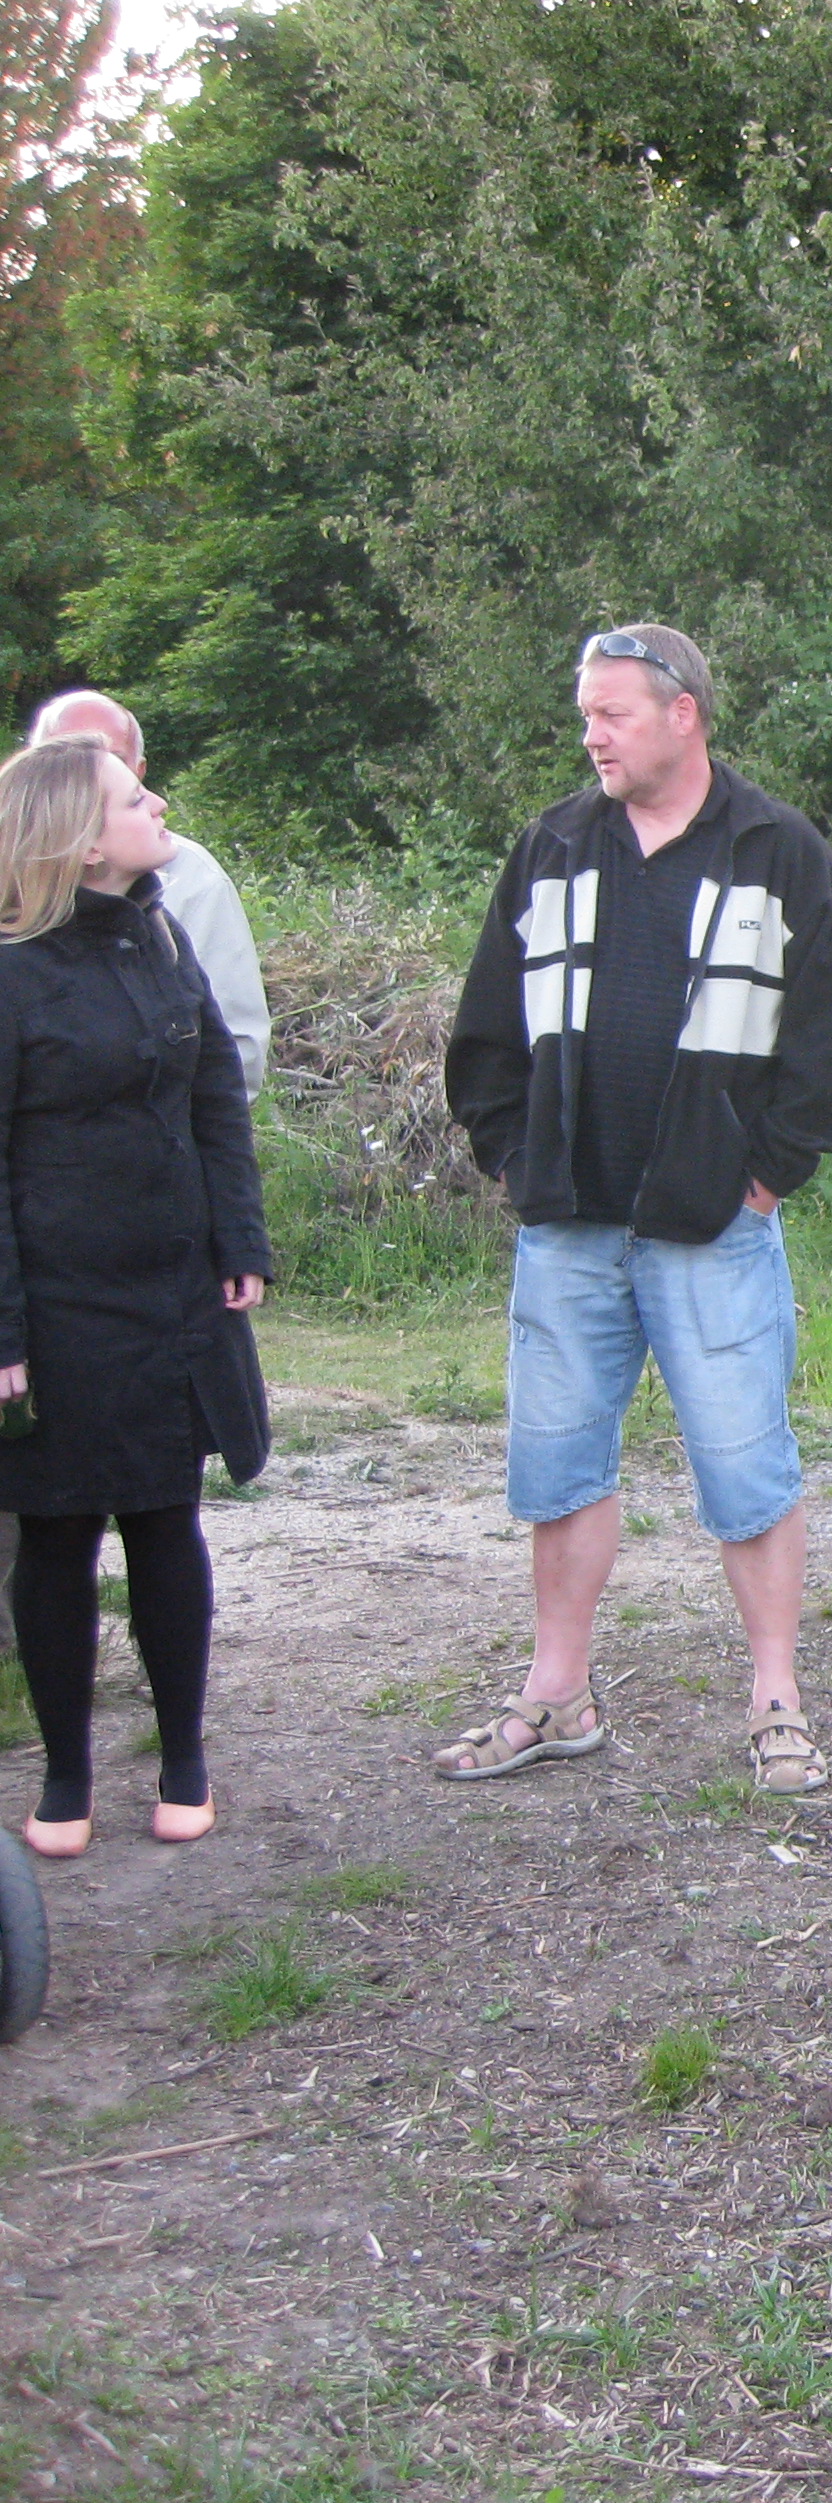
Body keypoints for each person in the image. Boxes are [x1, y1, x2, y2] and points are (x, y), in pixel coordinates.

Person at [438, 624, 832, 1794]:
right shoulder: (552, 847)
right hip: (569, 1224)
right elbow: (486, 1028)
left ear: (684, 715)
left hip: (712, 1228)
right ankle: (555, 1695)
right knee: (559, 1465)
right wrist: (517, 1158)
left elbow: (828, 1040)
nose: (591, 734)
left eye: (611, 712)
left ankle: (776, 1701)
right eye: (586, 713)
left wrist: (765, 1174)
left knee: (744, 1465)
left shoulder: (777, 852)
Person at [0, 735, 272, 1853]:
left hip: (173, 1289)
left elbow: (216, 1094)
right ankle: (66, 1778)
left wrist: (239, 1238)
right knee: (58, 1534)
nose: (155, 802)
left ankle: (184, 1758)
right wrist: (4, 1326)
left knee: (168, 1518)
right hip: (56, 1305)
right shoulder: (11, 971)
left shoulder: (161, 932)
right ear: (79, 841)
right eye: (130, 798)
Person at [25, 692, 271, 1094]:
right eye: (66, 757)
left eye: (112, 759)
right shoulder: (12, 894)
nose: (91, 772)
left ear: (138, 770)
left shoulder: (188, 879)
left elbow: (233, 1049)